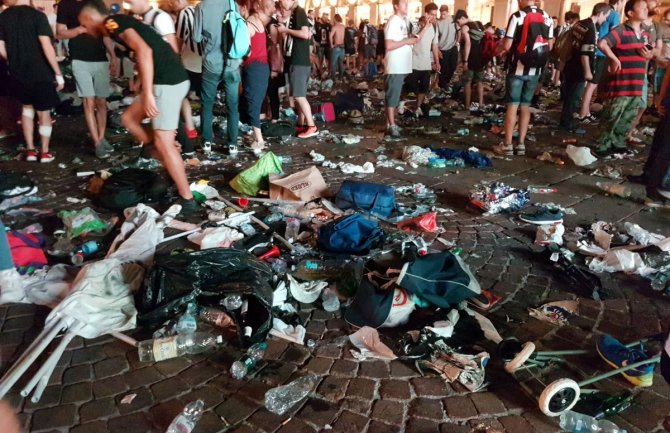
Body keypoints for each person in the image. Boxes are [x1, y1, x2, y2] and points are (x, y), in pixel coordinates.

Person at [78, 1, 197, 214]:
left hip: (166, 84)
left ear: (90, 18)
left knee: (164, 143)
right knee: (129, 120)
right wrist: (140, 82)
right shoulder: (120, 23)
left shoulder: (112, 23)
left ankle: (187, 199)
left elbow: (144, 51)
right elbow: (147, 50)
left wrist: (148, 93)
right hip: (169, 79)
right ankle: (162, 153)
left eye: (84, 25)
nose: (84, 30)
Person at [0, 0, 63, 163]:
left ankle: (30, 150)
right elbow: (46, 46)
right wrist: (58, 73)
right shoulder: (38, 16)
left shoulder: (3, 17)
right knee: (44, 113)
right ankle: (44, 152)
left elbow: (0, 47)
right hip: (41, 72)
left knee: (26, 110)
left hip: (18, 73)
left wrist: (13, 60)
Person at [57, 0, 117, 159]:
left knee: (102, 102)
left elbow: (106, 33)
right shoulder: (65, 4)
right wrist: (78, 29)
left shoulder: (98, 3)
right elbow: (60, 32)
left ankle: (102, 137)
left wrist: (113, 56)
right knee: (88, 102)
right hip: (79, 59)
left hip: (100, 59)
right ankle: (97, 143)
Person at [495, 0, 553, 157]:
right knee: (526, 105)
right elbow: (550, 45)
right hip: (535, 70)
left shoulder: (518, 16)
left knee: (513, 105)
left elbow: (507, 45)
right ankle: (521, 144)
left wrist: (498, 49)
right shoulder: (547, 17)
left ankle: (507, 145)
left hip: (517, 67)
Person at [594, 0, 650, 156]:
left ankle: (618, 143)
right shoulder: (621, 30)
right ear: (630, 13)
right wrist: (614, 59)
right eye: (642, 7)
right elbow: (602, 43)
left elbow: (649, 55)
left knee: (627, 117)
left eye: (646, 7)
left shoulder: (645, 34)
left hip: (636, 83)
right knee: (612, 116)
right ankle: (602, 145)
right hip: (621, 83)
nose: (646, 10)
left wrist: (649, 55)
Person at [193, 0, 242, 155]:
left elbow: (196, 37)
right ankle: (232, 144)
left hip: (211, 64)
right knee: (232, 106)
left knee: (207, 104)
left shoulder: (201, 7)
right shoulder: (232, 4)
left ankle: (207, 142)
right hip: (232, 64)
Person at [559, 3, 611, 135]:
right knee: (574, 97)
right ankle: (568, 123)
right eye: (605, 16)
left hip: (570, 64)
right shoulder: (590, 29)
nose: (605, 20)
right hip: (579, 68)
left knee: (568, 95)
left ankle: (564, 120)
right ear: (600, 14)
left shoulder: (579, 24)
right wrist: (588, 71)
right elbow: (585, 53)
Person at [578, 0, 624, 123]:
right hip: (601, 52)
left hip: (595, 51)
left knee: (591, 84)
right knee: (592, 84)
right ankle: (583, 112)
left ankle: (585, 111)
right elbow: (614, 36)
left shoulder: (604, 10)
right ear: (620, 2)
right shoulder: (613, 14)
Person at [277, 0, 317, 138]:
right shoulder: (295, 13)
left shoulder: (299, 11)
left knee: (299, 96)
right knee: (299, 94)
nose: (282, 5)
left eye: (282, 2)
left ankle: (311, 126)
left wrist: (285, 30)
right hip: (298, 60)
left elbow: (305, 34)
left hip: (299, 61)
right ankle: (301, 124)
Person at [626, 0, 662, 145]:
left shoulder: (656, 26)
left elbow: (658, 51)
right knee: (624, 105)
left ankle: (627, 134)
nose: (657, 4)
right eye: (654, 2)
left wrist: (650, 53)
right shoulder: (634, 23)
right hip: (628, 70)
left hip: (643, 71)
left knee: (641, 105)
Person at [384, 0, 421, 138]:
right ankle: (391, 125)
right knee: (392, 97)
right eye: (404, 3)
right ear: (396, 6)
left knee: (394, 96)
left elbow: (411, 40)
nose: (407, 5)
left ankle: (390, 124)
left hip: (401, 65)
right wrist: (407, 41)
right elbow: (388, 45)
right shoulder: (393, 21)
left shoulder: (403, 21)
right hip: (395, 65)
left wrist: (426, 27)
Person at [242, 0, 273, 154]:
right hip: (263, 67)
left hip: (253, 67)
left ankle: (259, 139)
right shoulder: (259, 22)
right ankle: (257, 136)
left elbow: (246, 51)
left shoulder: (248, 24)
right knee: (257, 100)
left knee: (252, 102)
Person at [169, 0, 203, 133]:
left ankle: (189, 127)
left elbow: (179, 38)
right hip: (205, 62)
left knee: (182, 94)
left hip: (190, 62)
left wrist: (175, 57)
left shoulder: (185, 13)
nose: (172, 4)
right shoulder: (199, 11)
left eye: (173, 2)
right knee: (205, 98)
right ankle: (207, 128)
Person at [407, 3, 439, 117]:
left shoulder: (435, 27)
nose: (434, 17)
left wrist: (437, 61)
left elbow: (434, 46)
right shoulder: (416, 25)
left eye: (436, 15)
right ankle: (406, 104)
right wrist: (425, 26)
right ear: (426, 14)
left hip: (426, 63)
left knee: (424, 88)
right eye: (432, 15)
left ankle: (418, 107)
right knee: (411, 86)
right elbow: (415, 40)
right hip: (413, 62)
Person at [460, 17, 487, 111]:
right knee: (480, 82)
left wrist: (465, 61)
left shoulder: (465, 27)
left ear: (462, 18)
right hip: (481, 58)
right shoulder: (480, 24)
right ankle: (481, 105)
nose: (458, 23)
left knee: (467, 82)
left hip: (471, 58)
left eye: (458, 21)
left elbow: (468, 44)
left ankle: (467, 106)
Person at [436, 5, 459, 90]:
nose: (442, 16)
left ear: (448, 12)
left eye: (444, 14)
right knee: (443, 69)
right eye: (441, 14)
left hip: (453, 46)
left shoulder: (453, 19)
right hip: (443, 49)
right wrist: (437, 50)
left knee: (453, 66)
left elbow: (458, 30)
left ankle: (446, 82)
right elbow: (436, 38)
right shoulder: (438, 23)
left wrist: (457, 42)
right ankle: (442, 86)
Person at [330, 14, 345, 81]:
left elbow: (330, 36)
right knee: (341, 63)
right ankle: (340, 78)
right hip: (342, 47)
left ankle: (333, 79)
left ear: (335, 19)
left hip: (336, 46)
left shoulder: (334, 27)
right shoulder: (343, 27)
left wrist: (331, 45)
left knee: (333, 63)